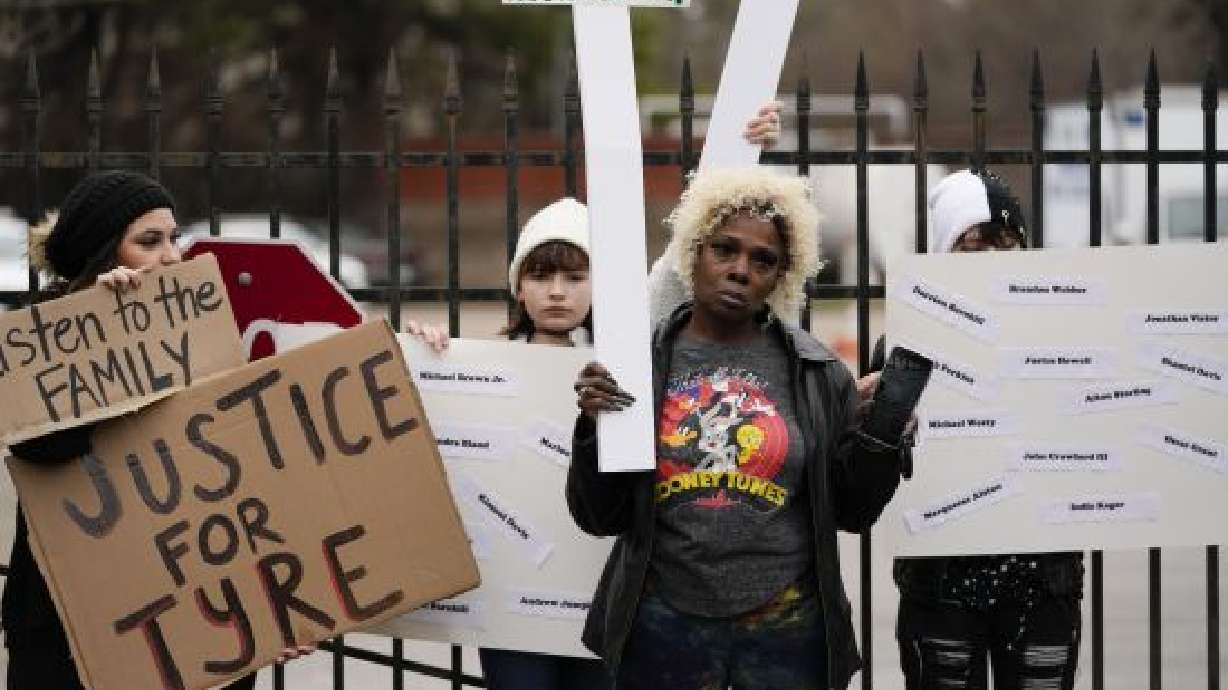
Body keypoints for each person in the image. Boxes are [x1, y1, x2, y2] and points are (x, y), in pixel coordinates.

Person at [567, 166, 910, 690]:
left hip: (786, 631)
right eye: (724, 250)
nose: (740, 270)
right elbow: (598, 516)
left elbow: (853, 510)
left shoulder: (818, 372)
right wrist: (592, 430)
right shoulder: (639, 365)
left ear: (782, 275)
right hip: (664, 625)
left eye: (763, 260)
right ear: (694, 251)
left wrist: (882, 435)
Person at [7, 170, 311, 690]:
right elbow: (41, 447)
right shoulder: (42, 341)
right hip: (72, 633)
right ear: (101, 256)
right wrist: (102, 331)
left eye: (174, 237)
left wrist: (265, 614)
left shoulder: (210, 337)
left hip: (193, 618)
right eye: (149, 241)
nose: (172, 255)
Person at [889, 169, 1083, 690]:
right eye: (972, 243)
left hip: (1043, 585)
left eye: (1006, 241)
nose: (992, 257)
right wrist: (888, 426)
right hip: (940, 588)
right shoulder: (905, 340)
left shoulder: (1064, 332)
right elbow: (868, 477)